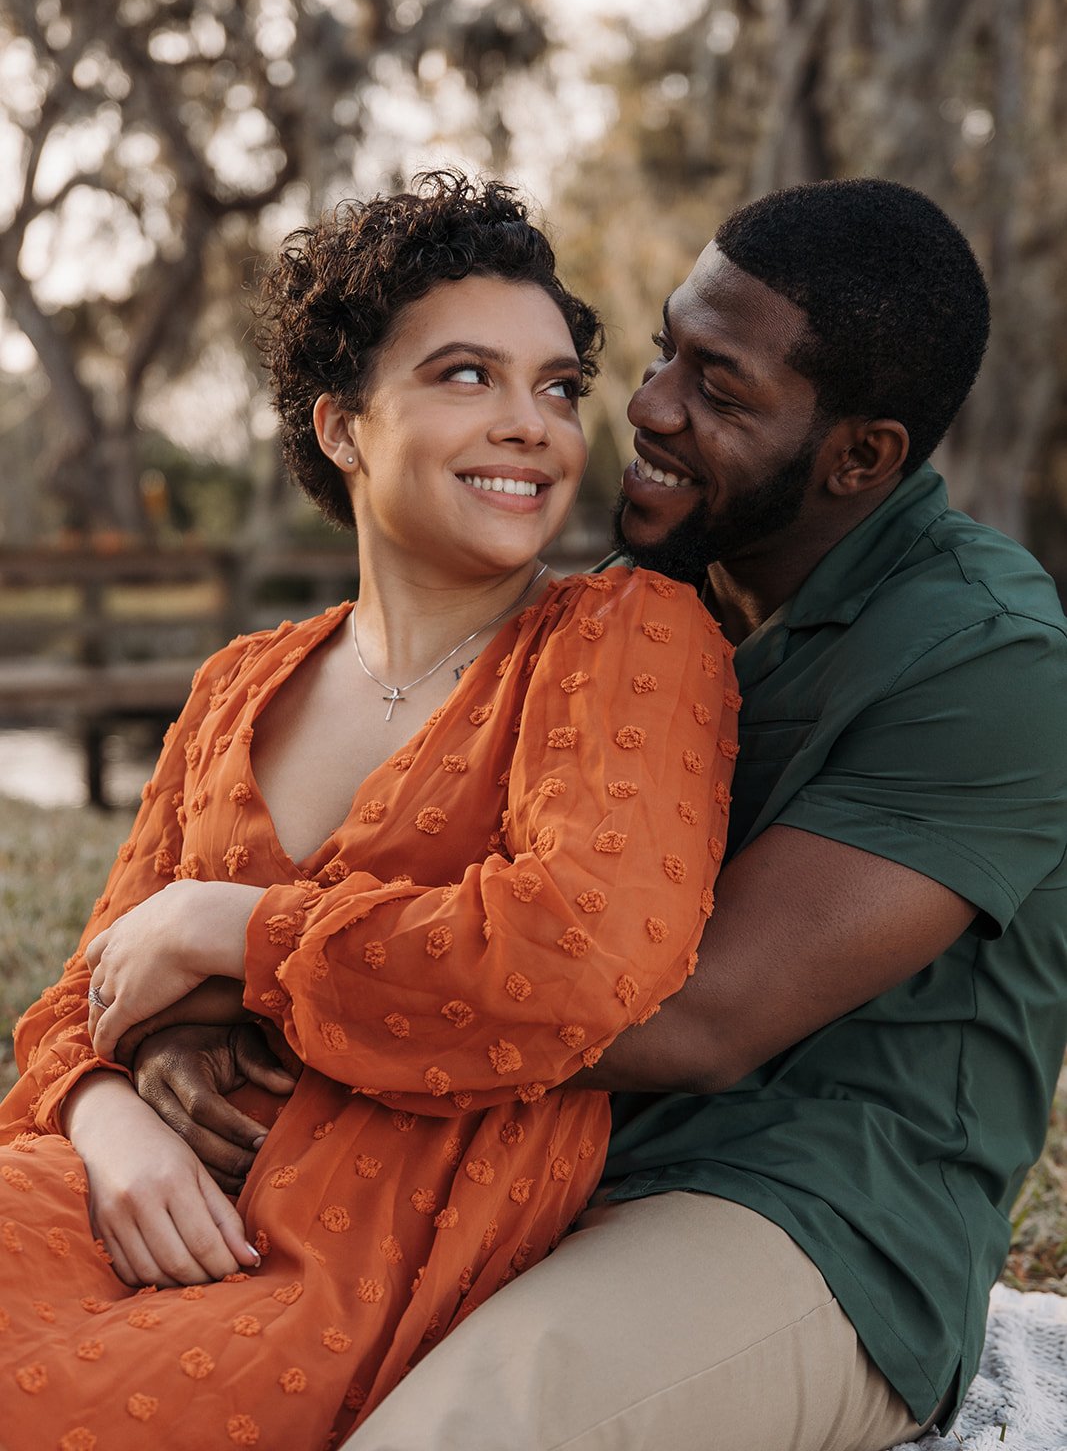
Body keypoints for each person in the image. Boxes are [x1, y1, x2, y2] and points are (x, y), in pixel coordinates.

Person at [148, 177, 1065, 1451]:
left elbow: (690, 1018)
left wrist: (235, 948)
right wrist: (166, 1047)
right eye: (660, 354)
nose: (648, 407)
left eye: (721, 390)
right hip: (518, 1157)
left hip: (804, 1207)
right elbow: (450, 890)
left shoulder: (986, 659)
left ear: (860, 457)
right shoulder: (630, 608)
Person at [0, 173, 739, 1449]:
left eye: (556, 387)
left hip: (345, 1249)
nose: (532, 426)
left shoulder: (623, 635)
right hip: (113, 1193)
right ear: (341, 426)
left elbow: (575, 954)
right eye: (466, 376)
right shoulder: (239, 684)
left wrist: (234, 929)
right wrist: (113, 1122)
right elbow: (84, 995)